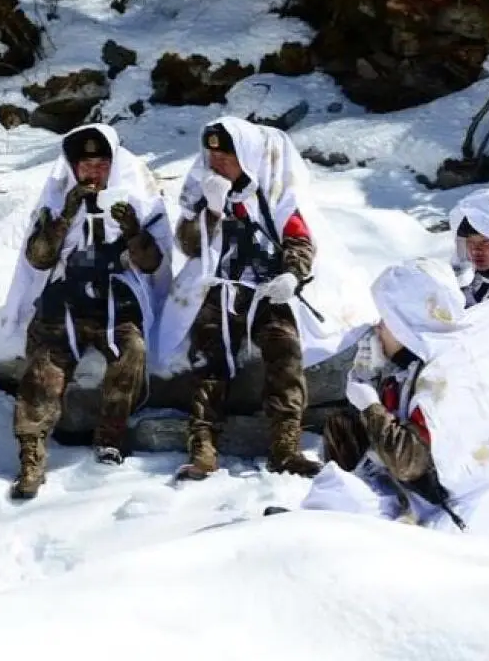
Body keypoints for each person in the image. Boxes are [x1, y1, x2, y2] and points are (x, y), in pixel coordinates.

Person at [157, 116, 375, 482]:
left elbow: (299, 239)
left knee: (285, 351)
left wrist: (292, 274)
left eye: (228, 157)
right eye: (214, 157)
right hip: (219, 286)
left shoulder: (273, 195)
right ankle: (203, 446)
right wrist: (210, 210)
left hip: (267, 288)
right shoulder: (205, 191)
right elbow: (189, 245)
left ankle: (285, 448)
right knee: (208, 355)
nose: (218, 164)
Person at [292, 257, 489, 532]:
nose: (377, 327)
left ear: (407, 323)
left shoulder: (443, 379)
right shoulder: (413, 358)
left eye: (386, 319)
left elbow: (411, 463)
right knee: (343, 426)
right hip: (401, 472)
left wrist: (370, 404)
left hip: (436, 493)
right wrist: (372, 380)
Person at [0, 123, 173, 499]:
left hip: (115, 300)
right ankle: (32, 454)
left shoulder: (140, 202)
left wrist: (131, 230)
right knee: (43, 367)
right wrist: (65, 216)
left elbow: (153, 263)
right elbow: (39, 260)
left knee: (133, 352)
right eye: (84, 165)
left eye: (100, 163)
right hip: (66, 300)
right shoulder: (56, 200)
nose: (92, 172)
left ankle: (110, 438)